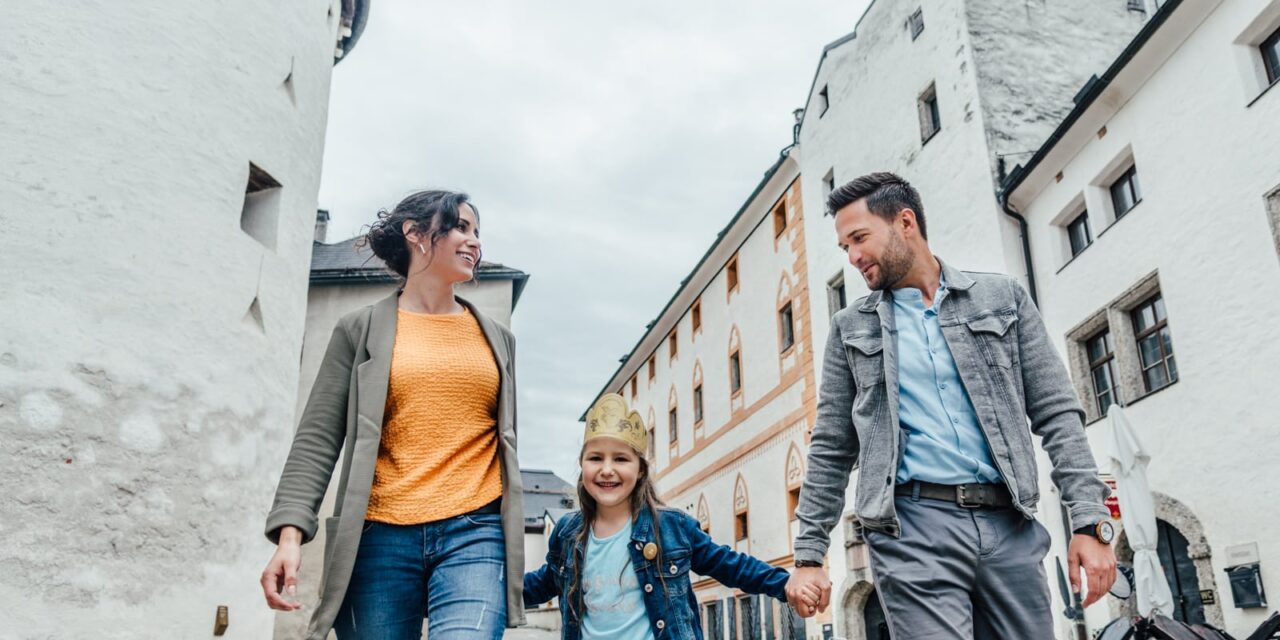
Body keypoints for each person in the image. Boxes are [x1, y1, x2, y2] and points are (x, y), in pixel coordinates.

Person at [785, 172, 1117, 638]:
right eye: (845, 248)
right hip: (913, 530)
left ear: (905, 223)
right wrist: (807, 555)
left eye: (859, 238)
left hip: (1011, 525)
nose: (854, 257)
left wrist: (1089, 520)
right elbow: (832, 446)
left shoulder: (1002, 299)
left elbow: (1058, 412)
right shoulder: (850, 328)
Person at [259, 190, 524, 640]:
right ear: (416, 234)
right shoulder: (358, 330)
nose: (475, 242)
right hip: (380, 537)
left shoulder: (496, 338)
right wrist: (289, 537)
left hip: (474, 531)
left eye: (477, 232)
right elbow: (318, 438)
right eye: (461, 227)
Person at [524, 394, 819, 639]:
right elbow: (542, 583)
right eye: (596, 458)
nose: (607, 469)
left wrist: (785, 584)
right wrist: (490, 585)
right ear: (582, 465)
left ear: (640, 470)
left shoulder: (671, 527)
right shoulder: (567, 533)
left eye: (621, 458)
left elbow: (729, 565)